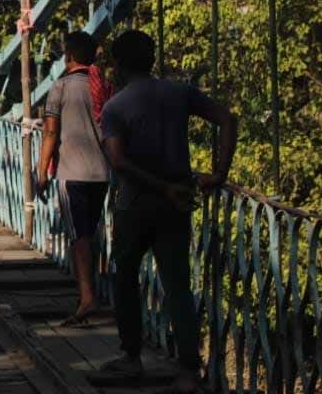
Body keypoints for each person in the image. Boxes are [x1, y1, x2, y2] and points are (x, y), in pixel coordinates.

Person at [98, 29, 237, 393]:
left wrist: (158, 186)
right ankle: (189, 371)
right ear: (152, 59)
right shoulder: (179, 93)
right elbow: (227, 119)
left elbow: (117, 160)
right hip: (178, 202)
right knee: (177, 283)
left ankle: (130, 358)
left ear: (119, 65)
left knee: (124, 277)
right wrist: (218, 173)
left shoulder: (115, 107)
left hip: (135, 204)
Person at [35, 31, 110, 327]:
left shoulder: (61, 87)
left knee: (79, 238)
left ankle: (87, 298)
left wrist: (41, 172)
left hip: (72, 174)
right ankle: (91, 293)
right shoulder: (103, 86)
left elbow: (50, 132)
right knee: (91, 234)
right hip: (102, 174)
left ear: (68, 56)